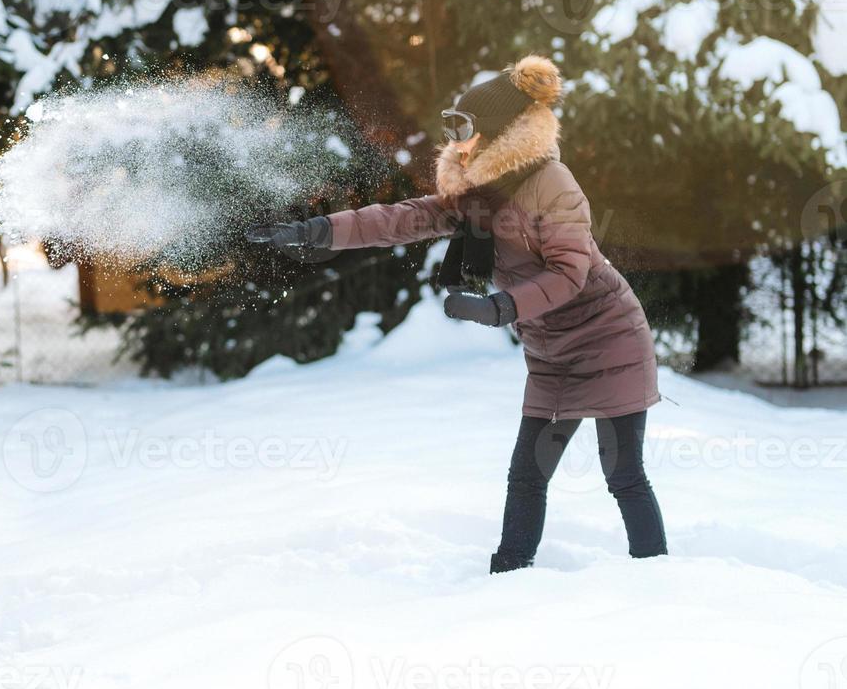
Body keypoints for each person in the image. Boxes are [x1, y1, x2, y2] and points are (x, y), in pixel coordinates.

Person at [246, 55, 667, 572]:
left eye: (463, 127)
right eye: (451, 124)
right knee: (527, 476)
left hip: (610, 339)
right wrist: (320, 231)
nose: (453, 139)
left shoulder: (551, 183)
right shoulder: (476, 191)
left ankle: (656, 581)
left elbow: (570, 272)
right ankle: (510, 574)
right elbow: (407, 219)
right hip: (551, 351)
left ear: (498, 133)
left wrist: (500, 309)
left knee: (623, 476)